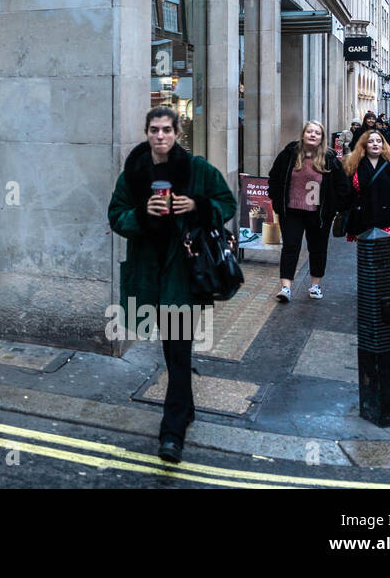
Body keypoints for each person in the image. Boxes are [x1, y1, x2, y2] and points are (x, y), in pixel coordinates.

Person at [107, 106, 235, 465]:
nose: (160, 136)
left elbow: (227, 203)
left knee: (178, 352)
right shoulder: (133, 174)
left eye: (166, 130)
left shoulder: (197, 170)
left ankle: (172, 433)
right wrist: (141, 215)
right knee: (172, 351)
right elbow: (115, 216)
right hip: (148, 275)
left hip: (184, 275)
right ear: (146, 132)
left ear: (178, 133)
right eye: (154, 130)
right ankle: (187, 407)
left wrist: (196, 205)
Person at [266, 121, 349, 302]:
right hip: (291, 212)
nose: (312, 135)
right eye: (309, 131)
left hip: (318, 214)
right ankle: (286, 287)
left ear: (322, 138)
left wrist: (333, 208)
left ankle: (315, 285)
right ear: (303, 134)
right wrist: (276, 198)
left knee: (318, 249)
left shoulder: (330, 159)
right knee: (290, 247)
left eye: (317, 133)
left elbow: (342, 186)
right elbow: (274, 177)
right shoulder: (289, 155)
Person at [342, 130, 390, 250]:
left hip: (389, 216)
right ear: (364, 145)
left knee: (386, 252)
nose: (375, 144)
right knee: (368, 254)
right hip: (363, 216)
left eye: (379, 141)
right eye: (371, 141)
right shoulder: (353, 165)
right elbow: (347, 191)